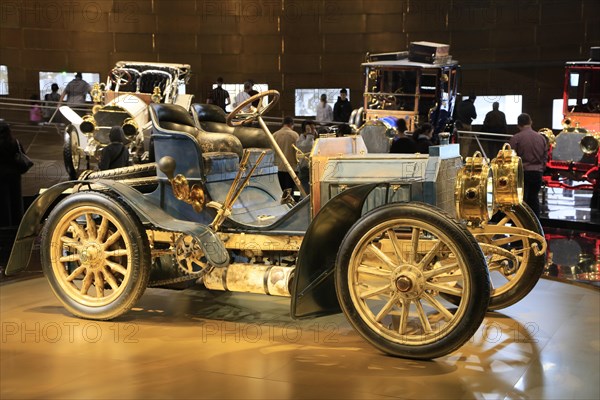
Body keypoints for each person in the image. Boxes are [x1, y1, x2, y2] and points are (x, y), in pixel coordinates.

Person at [509, 113, 546, 218]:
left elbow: (511, 158)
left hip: (523, 173)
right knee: (534, 199)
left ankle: (522, 224)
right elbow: (545, 157)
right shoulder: (541, 138)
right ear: (531, 122)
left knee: (521, 200)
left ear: (518, 125)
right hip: (537, 173)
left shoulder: (516, 138)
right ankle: (536, 224)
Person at [0, 121, 25, 226]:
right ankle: (17, 224)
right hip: (14, 176)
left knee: (3, 203)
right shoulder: (15, 142)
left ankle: (5, 224)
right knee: (16, 200)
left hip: (1, 177)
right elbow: (22, 155)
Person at [272, 116, 299, 192]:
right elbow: (297, 153)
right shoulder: (295, 135)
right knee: (290, 192)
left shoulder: (274, 135)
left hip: (278, 168)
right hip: (291, 168)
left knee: (280, 191)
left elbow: (272, 152)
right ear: (291, 124)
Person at [296, 120, 316, 194]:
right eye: (313, 129)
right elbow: (307, 147)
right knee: (305, 192)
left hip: (311, 168)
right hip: (304, 169)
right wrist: (310, 133)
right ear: (307, 129)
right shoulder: (300, 140)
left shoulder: (310, 139)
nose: (314, 131)